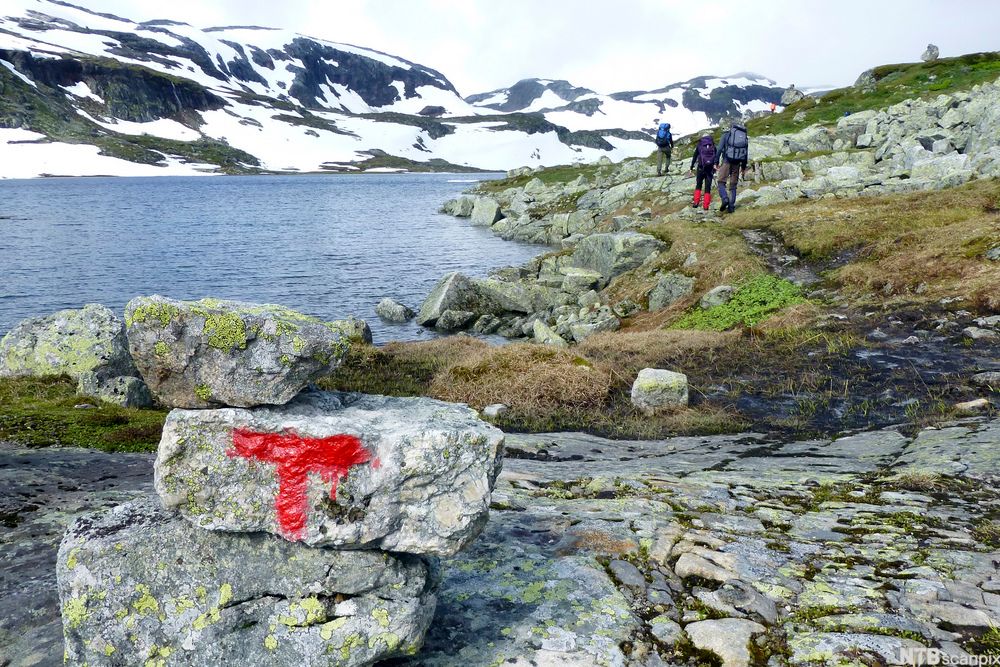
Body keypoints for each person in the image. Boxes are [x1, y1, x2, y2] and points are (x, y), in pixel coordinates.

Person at [715, 120, 749, 214]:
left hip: (726, 161)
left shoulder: (726, 135)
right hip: (737, 163)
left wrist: (716, 161)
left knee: (721, 182)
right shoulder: (744, 137)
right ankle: (731, 207)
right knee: (733, 186)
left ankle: (725, 198)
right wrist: (743, 167)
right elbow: (745, 153)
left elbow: (719, 149)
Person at [689, 135, 716, 211]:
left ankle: (696, 202)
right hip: (710, 169)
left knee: (698, 185)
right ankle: (706, 206)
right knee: (708, 187)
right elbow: (716, 157)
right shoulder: (713, 145)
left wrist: (691, 167)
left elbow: (694, 156)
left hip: (701, 167)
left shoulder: (700, 145)